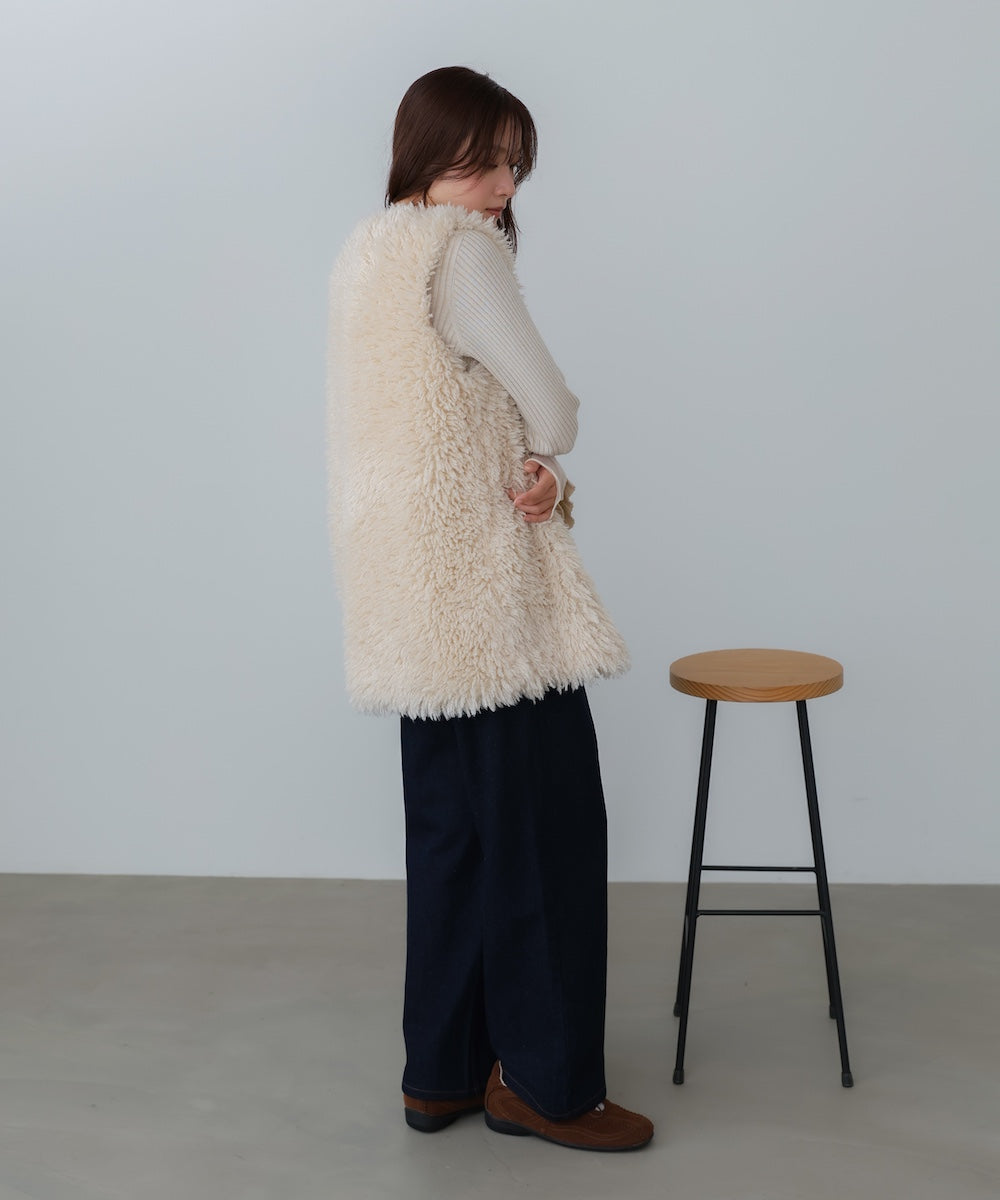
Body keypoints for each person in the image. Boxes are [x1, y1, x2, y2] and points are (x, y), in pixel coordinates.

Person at [325, 66, 653, 1152]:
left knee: (453, 842)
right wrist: (546, 453)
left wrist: (528, 465)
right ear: (430, 153)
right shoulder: (463, 253)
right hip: (489, 603)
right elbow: (549, 404)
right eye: (486, 161)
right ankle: (547, 1087)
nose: (505, 186)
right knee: (544, 839)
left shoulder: (368, 256)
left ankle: (442, 1073)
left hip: (410, 603)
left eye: (515, 165)